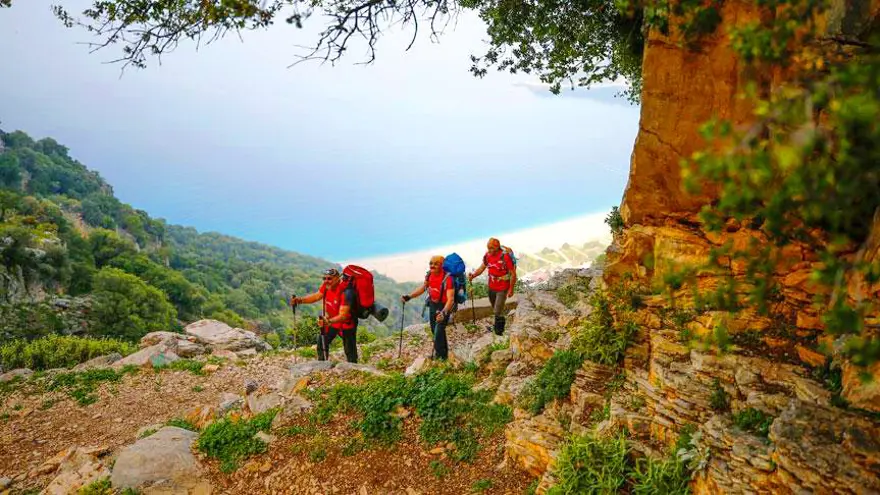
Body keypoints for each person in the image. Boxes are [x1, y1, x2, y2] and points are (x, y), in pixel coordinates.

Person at [290, 268, 359, 363]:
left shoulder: (345, 292)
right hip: (331, 321)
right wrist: (300, 300)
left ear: (338, 278)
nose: (326, 281)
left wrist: (328, 321)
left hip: (346, 323)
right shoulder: (326, 286)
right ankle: (322, 365)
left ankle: (353, 368)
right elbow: (317, 296)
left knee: (349, 350)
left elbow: (343, 315)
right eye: (324, 278)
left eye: (329, 278)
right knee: (322, 342)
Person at [401, 255, 455, 360]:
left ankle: (440, 357)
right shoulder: (429, 275)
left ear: (442, 265)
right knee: (434, 329)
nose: (432, 266)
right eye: (431, 263)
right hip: (433, 305)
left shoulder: (448, 279)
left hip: (444, 306)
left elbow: (451, 299)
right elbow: (423, 288)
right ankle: (442, 354)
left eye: (436, 264)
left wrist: (443, 313)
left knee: (438, 330)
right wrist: (409, 297)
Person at [468, 237, 516, 335]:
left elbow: (513, 274)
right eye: (488, 248)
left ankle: (498, 332)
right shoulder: (487, 256)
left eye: (491, 248)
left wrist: (511, 289)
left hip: (502, 287)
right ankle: (498, 325)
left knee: (497, 310)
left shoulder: (505, 257)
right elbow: (482, 268)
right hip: (491, 286)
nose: (489, 250)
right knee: (495, 308)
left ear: (497, 247)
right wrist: (473, 275)